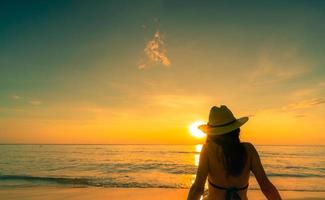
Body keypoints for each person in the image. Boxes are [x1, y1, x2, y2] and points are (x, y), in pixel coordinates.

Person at [187, 105, 282, 200]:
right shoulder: (249, 149)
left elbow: (197, 188)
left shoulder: (208, 150)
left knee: (206, 193)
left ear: (212, 134)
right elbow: (266, 187)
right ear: (236, 130)